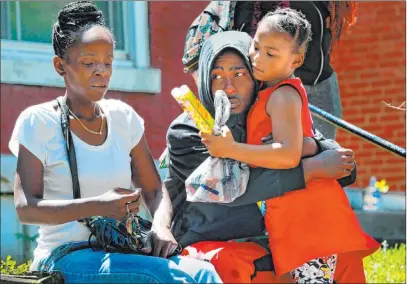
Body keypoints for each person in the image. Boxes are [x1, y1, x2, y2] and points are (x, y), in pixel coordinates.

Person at [8, 1, 222, 283]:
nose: (102, 71)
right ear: (60, 65)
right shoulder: (39, 122)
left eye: (108, 62)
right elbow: (26, 208)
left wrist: (160, 226)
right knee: (162, 278)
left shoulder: (123, 118)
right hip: (64, 255)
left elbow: (154, 189)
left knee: (205, 272)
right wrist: (98, 205)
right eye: (88, 63)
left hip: (121, 249)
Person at [165, 30, 360, 283]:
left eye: (239, 74)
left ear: (256, 76)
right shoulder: (188, 131)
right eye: (216, 76)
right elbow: (229, 189)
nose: (229, 88)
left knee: (344, 254)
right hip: (211, 239)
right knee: (234, 264)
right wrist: (309, 169)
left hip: (277, 236)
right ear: (204, 79)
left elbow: (345, 168)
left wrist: (311, 146)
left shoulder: (267, 112)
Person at [201, 9, 379, 283]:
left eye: (271, 54)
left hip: (310, 220)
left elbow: (286, 155)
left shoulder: (283, 95)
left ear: (295, 59)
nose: (258, 58)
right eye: (256, 46)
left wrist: (230, 149)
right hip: (292, 217)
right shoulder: (269, 93)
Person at [182, 1, 357, 139]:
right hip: (250, 98)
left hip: (312, 93)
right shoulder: (229, 8)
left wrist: (317, 149)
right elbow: (196, 55)